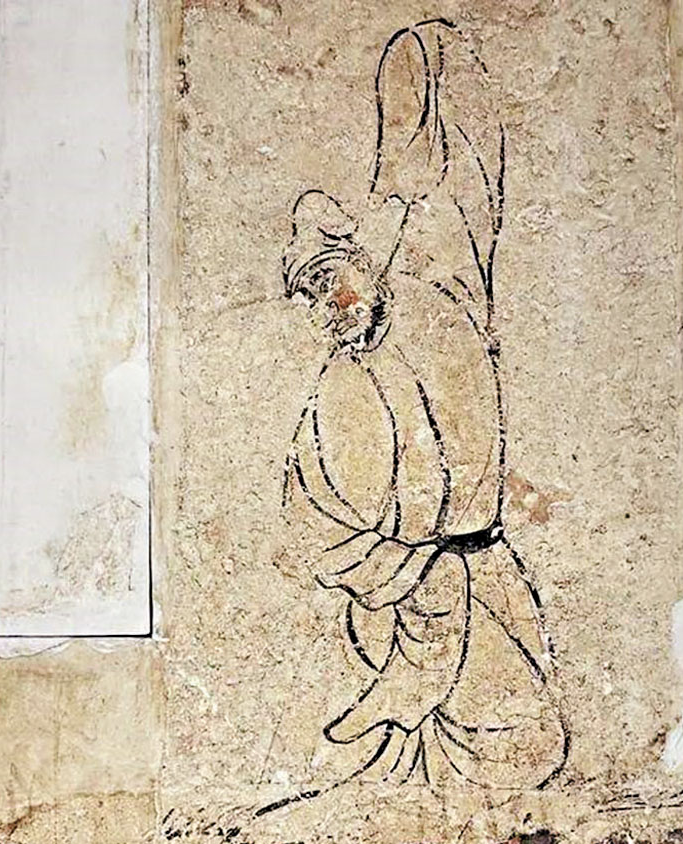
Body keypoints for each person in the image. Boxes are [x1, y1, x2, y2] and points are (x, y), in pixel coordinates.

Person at [277, 20, 568, 797]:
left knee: (520, 742)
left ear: (360, 262)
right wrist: (403, 573)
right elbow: (312, 517)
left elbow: (448, 176)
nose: (329, 306)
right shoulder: (341, 386)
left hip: (476, 568)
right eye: (313, 297)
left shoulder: (436, 289)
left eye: (331, 281)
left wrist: (412, 86)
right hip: (408, 597)